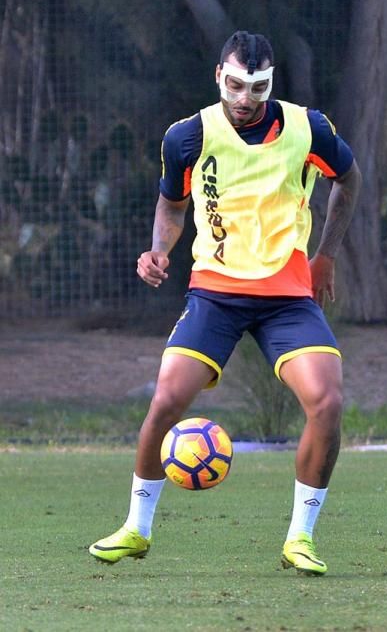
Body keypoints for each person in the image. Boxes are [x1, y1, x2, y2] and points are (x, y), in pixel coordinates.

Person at [89, 30, 361, 575]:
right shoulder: (187, 137)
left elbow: (349, 180)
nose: (245, 97)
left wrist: (325, 255)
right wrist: (158, 250)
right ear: (220, 76)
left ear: (270, 82)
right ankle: (136, 530)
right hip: (214, 292)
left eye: (256, 87)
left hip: (287, 297)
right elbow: (171, 205)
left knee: (327, 405)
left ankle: (299, 539)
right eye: (235, 84)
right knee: (166, 401)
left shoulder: (311, 128)